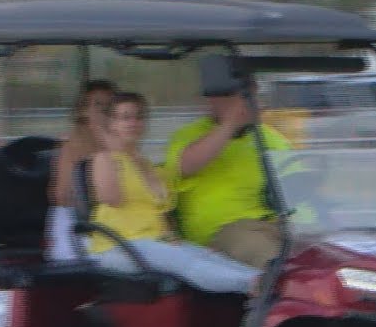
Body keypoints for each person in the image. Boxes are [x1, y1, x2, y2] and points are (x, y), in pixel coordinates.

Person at [86, 92, 260, 295]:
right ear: (112, 124)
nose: (133, 123)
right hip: (118, 246)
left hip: (155, 241)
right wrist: (112, 148)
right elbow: (110, 197)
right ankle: (254, 284)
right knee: (184, 260)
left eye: (139, 117)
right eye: (124, 117)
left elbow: (160, 212)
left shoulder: (150, 166)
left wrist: (172, 236)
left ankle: (271, 280)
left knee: (208, 255)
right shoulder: (105, 159)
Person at [164, 78, 290, 270]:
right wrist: (230, 123)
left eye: (249, 97)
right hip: (223, 230)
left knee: (321, 257)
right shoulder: (189, 136)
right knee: (273, 260)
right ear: (213, 101)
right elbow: (186, 165)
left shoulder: (273, 140)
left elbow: (297, 188)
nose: (247, 103)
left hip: (274, 225)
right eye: (239, 98)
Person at [45, 79, 115, 262]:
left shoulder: (119, 143)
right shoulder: (72, 143)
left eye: (110, 105)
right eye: (99, 105)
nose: (105, 111)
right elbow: (62, 195)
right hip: (77, 222)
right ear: (84, 110)